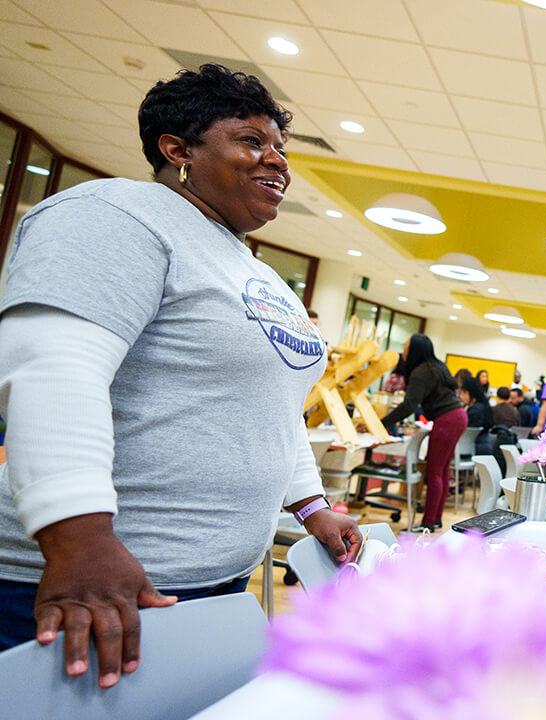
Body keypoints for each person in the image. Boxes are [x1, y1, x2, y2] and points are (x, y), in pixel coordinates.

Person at [0, 64, 361, 682]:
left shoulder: (252, 268)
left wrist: (311, 506)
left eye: (279, 147)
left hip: (210, 582)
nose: (276, 161)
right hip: (93, 583)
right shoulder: (118, 213)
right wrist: (77, 539)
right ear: (177, 150)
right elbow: (53, 372)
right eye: (251, 141)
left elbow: (273, 407)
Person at [379, 334, 466, 532]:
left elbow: (409, 404)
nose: (404, 349)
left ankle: (427, 523)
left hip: (447, 419)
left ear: (415, 349)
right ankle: (435, 519)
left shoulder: (420, 371)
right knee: (442, 471)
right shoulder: (437, 366)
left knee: (434, 472)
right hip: (457, 416)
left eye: (407, 346)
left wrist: (383, 422)